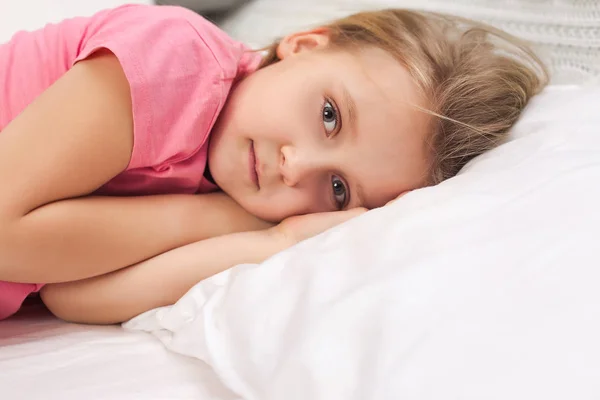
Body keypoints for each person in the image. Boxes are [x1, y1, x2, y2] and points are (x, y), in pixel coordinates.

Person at [0, 4, 548, 324]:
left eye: (337, 188)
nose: (297, 167)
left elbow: (71, 294)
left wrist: (276, 244)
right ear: (305, 45)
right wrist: (233, 222)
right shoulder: (176, 60)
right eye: (330, 115)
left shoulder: (231, 182)